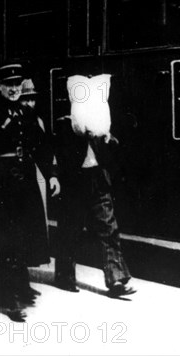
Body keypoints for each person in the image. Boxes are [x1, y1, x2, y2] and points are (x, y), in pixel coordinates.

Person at [0, 64, 60, 320]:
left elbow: (41, 147)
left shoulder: (26, 113)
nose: (13, 89)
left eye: (17, 84)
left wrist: (52, 175)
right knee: (5, 241)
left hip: (26, 185)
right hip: (0, 186)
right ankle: (5, 297)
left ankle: (19, 285)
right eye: (8, 84)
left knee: (24, 238)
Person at [53, 77, 136, 298]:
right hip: (75, 182)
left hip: (98, 179)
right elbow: (62, 154)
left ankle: (116, 280)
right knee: (70, 229)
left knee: (109, 227)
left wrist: (107, 139)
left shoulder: (102, 124)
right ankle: (64, 276)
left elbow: (113, 152)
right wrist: (81, 135)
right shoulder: (67, 124)